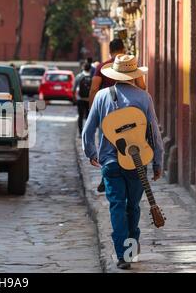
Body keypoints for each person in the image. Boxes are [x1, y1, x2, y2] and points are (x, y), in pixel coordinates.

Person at [82, 54, 164, 270]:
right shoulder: (144, 98)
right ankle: (131, 249)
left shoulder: (101, 97)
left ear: (115, 74)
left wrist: (91, 153)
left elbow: (88, 131)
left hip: (110, 162)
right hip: (137, 161)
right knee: (133, 206)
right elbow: (154, 133)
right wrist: (158, 161)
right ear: (133, 75)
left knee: (117, 206)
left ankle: (123, 256)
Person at [89, 39, 146, 193]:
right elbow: (142, 87)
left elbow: (94, 89)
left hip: (107, 112)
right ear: (123, 48)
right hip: (131, 113)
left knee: (106, 144)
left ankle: (107, 174)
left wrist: (93, 111)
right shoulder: (132, 66)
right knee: (131, 141)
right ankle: (129, 170)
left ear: (110, 49)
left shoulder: (102, 67)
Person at [73, 63, 92, 136]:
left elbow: (74, 89)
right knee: (88, 117)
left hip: (80, 98)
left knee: (80, 116)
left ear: (83, 68)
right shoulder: (92, 77)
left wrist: (74, 98)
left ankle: (80, 133)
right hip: (89, 99)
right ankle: (87, 133)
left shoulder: (79, 76)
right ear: (90, 69)